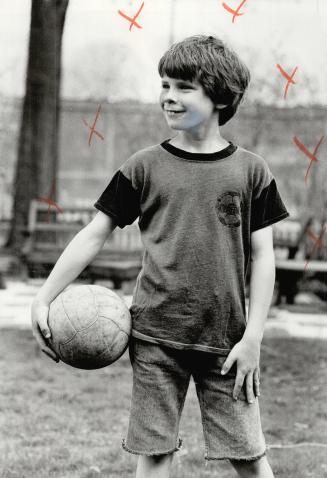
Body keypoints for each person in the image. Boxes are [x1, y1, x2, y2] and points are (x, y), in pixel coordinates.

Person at [31, 35, 290, 478]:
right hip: (154, 336)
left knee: (249, 456)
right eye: (165, 84)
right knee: (154, 455)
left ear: (220, 97)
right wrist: (44, 298)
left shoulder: (251, 171)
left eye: (184, 87)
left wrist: (253, 339)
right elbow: (94, 235)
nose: (168, 96)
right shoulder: (143, 167)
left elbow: (263, 257)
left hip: (227, 342)